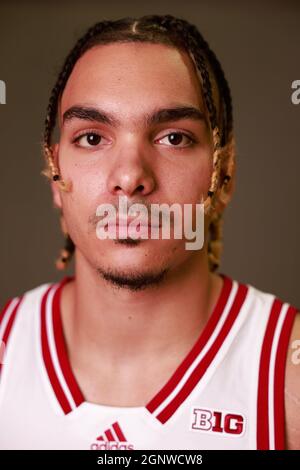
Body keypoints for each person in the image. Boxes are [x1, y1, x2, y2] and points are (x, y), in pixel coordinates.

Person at [0, 14, 299, 450]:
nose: (129, 176)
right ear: (54, 173)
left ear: (225, 174)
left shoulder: (288, 379)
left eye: (174, 138)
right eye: (91, 138)